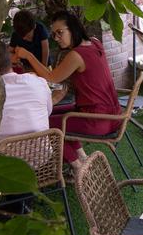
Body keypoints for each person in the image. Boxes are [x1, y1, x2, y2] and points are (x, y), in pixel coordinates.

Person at [14, 11, 122, 163]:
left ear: (73, 28)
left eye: (60, 32)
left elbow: (52, 77)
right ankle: (82, 157)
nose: (57, 38)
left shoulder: (76, 55)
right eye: (54, 34)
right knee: (47, 114)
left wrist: (28, 56)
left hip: (98, 119)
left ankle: (77, 167)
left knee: (44, 125)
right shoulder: (95, 42)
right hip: (113, 114)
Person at [0, 40, 52, 138]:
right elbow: (47, 112)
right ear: (10, 59)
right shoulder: (39, 83)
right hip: (42, 152)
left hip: (0, 152)